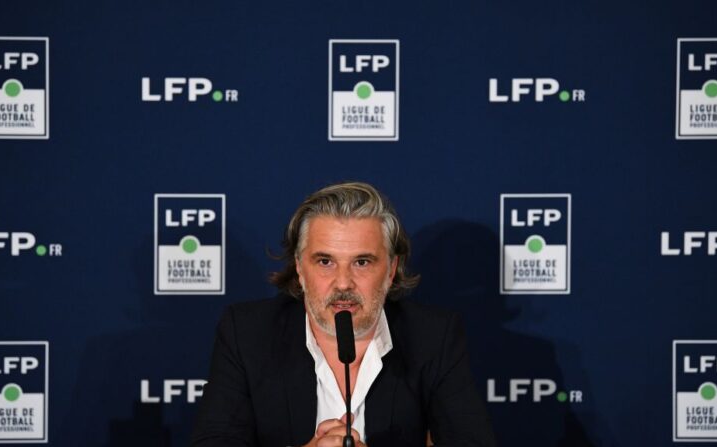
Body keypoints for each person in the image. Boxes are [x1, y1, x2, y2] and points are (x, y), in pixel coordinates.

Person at [191, 182, 496, 447]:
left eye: (362, 262)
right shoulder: (247, 333)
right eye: (325, 261)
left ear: (391, 270)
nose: (343, 283)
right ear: (299, 266)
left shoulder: (433, 336)